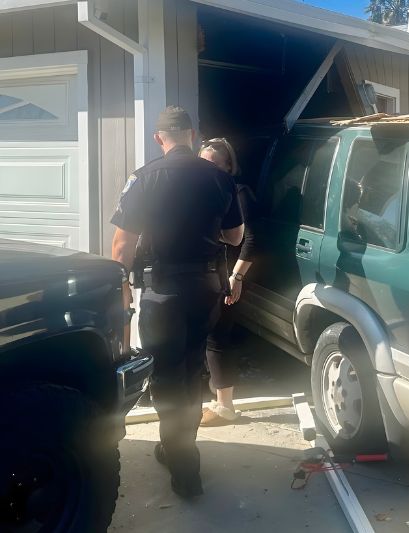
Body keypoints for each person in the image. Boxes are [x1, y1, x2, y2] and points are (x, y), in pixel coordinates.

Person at [110, 107, 243, 498]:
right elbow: (235, 237)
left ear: (159, 138)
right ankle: (182, 450)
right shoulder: (219, 177)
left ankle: (183, 466)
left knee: (167, 376)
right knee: (190, 368)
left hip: (162, 288)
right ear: (192, 134)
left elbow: (122, 244)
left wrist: (122, 287)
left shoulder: (143, 177)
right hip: (204, 287)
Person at [197, 138, 259, 426]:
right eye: (203, 162)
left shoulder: (239, 192)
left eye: (213, 164)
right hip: (205, 273)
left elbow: (251, 239)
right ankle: (217, 399)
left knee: (218, 338)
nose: (207, 168)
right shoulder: (199, 190)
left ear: (228, 166)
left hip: (227, 275)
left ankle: (226, 407)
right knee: (208, 338)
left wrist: (237, 276)